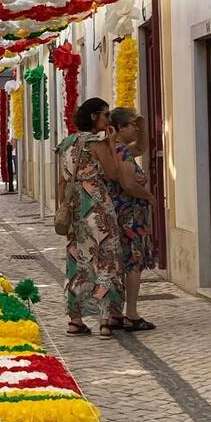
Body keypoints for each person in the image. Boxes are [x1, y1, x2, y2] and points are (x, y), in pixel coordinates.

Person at [56, 97, 126, 337]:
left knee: (77, 263)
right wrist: (113, 144)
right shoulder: (97, 143)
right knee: (105, 259)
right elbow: (114, 173)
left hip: (75, 208)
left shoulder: (66, 143)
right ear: (95, 117)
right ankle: (105, 320)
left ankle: (75, 320)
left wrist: (61, 209)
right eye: (106, 115)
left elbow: (61, 182)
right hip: (97, 208)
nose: (109, 119)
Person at [108, 108, 159, 332]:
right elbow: (128, 184)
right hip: (130, 218)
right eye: (131, 124)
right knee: (133, 264)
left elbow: (141, 147)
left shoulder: (114, 150)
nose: (135, 128)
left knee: (120, 264)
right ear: (119, 128)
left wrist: (143, 123)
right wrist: (149, 196)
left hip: (119, 215)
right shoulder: (122, 153)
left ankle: (115, 313)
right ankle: (132, 313)